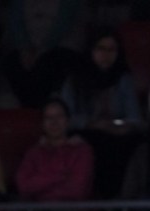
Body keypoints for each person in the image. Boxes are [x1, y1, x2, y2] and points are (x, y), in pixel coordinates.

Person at [60, 27, 144, 199]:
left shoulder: (123, 78)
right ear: (91, 50)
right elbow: (65, 117)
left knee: (130, 143)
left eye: (111, 50)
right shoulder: (75, 78)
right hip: (86, 133)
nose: (106, 55)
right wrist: (92, 124)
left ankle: (116, 201)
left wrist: (121, 126)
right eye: (101, 49)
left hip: (116, 134)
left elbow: (135, 118)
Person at [15, 98, 95, 211]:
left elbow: (77, 191)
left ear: (67, 121)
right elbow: (24, 187)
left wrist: (40, 188)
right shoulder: (33, 153)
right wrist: (61, 175)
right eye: (49, 118)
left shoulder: (82, 151)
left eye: (59, 117)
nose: (54, 122)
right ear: (42, 123)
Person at [1, 0, 85, 108]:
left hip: (61, 45)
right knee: (12, 63)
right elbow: (15, 20)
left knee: (46, 65)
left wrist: (42, 50)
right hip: (28, 45)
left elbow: (63, 24)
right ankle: (27, 110)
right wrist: (24, 48)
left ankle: (39, 109)